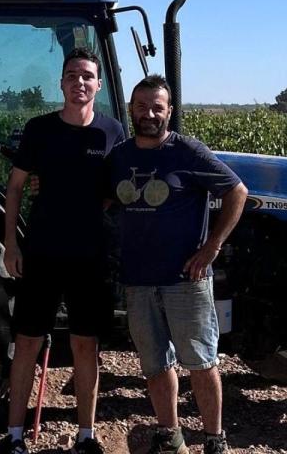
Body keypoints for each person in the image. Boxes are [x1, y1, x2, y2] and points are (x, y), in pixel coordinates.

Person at [105, 75, 248, 454]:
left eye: (157, 107)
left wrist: (211, 247)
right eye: (141, 106)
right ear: (131, 110)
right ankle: (169, 432)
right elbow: (100, 198)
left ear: (169, 111)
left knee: (200, 361)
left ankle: (215, 438)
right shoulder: (120, 156)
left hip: (185, 278)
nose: (149, 114)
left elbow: (237, 191)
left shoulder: (187, 152)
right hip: (137, 279)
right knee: (155, 365)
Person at [0, 47, 125, 454]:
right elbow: (15, 187)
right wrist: (12, 245)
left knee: (87, 345)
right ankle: (14, 436)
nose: (80, 83)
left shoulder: (112, 133)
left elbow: (117, 191)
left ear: (98, 85)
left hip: (91, 256)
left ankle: (86, 437)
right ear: (62, 83)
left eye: (87, 76)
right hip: (43, 252)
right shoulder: (40, 130)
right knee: (28, 341)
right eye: (72, 76)